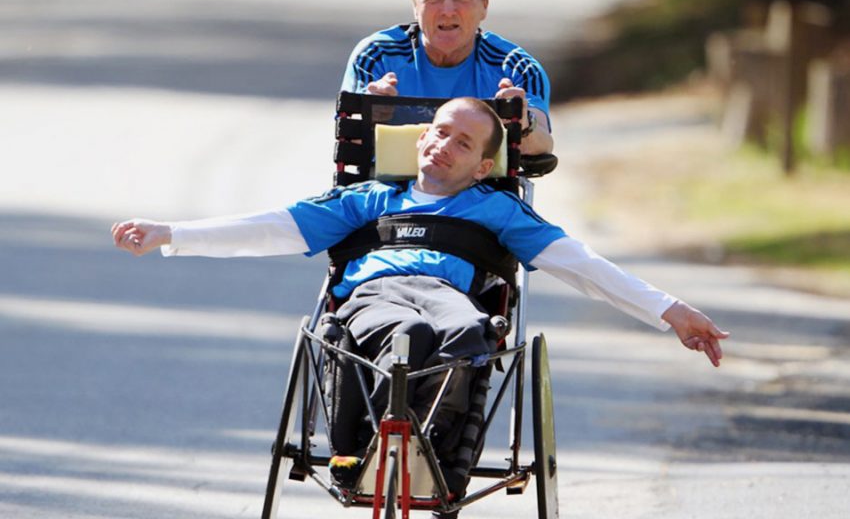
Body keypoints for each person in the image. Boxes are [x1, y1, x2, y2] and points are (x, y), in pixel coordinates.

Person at [112, 97, 728, 514]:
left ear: (485, 165)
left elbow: (583, 266)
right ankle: (378, 448)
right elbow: (272, 227)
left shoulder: (499, 209)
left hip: (450, 302)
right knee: (405, 330)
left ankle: (424, 452)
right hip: (374, 299)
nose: (443, 146)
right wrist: (171, 233)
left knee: (467, 333)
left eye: (462, 143)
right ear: (419, 140)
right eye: (437, 134)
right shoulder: (368, 198)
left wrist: (671, 312)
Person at [341, 0, 554, 155]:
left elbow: (543, 144)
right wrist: (371, 115)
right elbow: (349, 141)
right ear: (415, 6)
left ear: (484, 5)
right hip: (388, 191)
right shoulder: (377, 55)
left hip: (482, 192)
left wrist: (522, 124)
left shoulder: (516, 68)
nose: (448, 11)